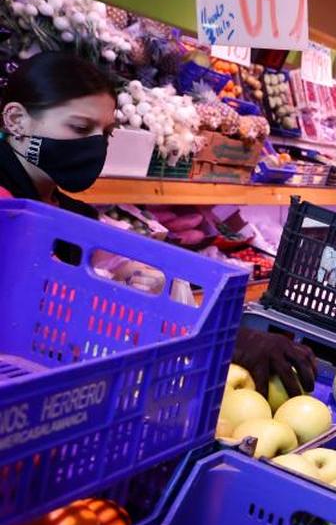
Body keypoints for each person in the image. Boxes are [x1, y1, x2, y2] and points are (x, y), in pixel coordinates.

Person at [0, 51, 315, 401]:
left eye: (104, 134)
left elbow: (109, 268)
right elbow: (55, 301)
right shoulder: (9, 212)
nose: (93, 145)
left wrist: (135, 278)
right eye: (79, 128)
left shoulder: (68, 211)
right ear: (16, 120)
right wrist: (223, 338)